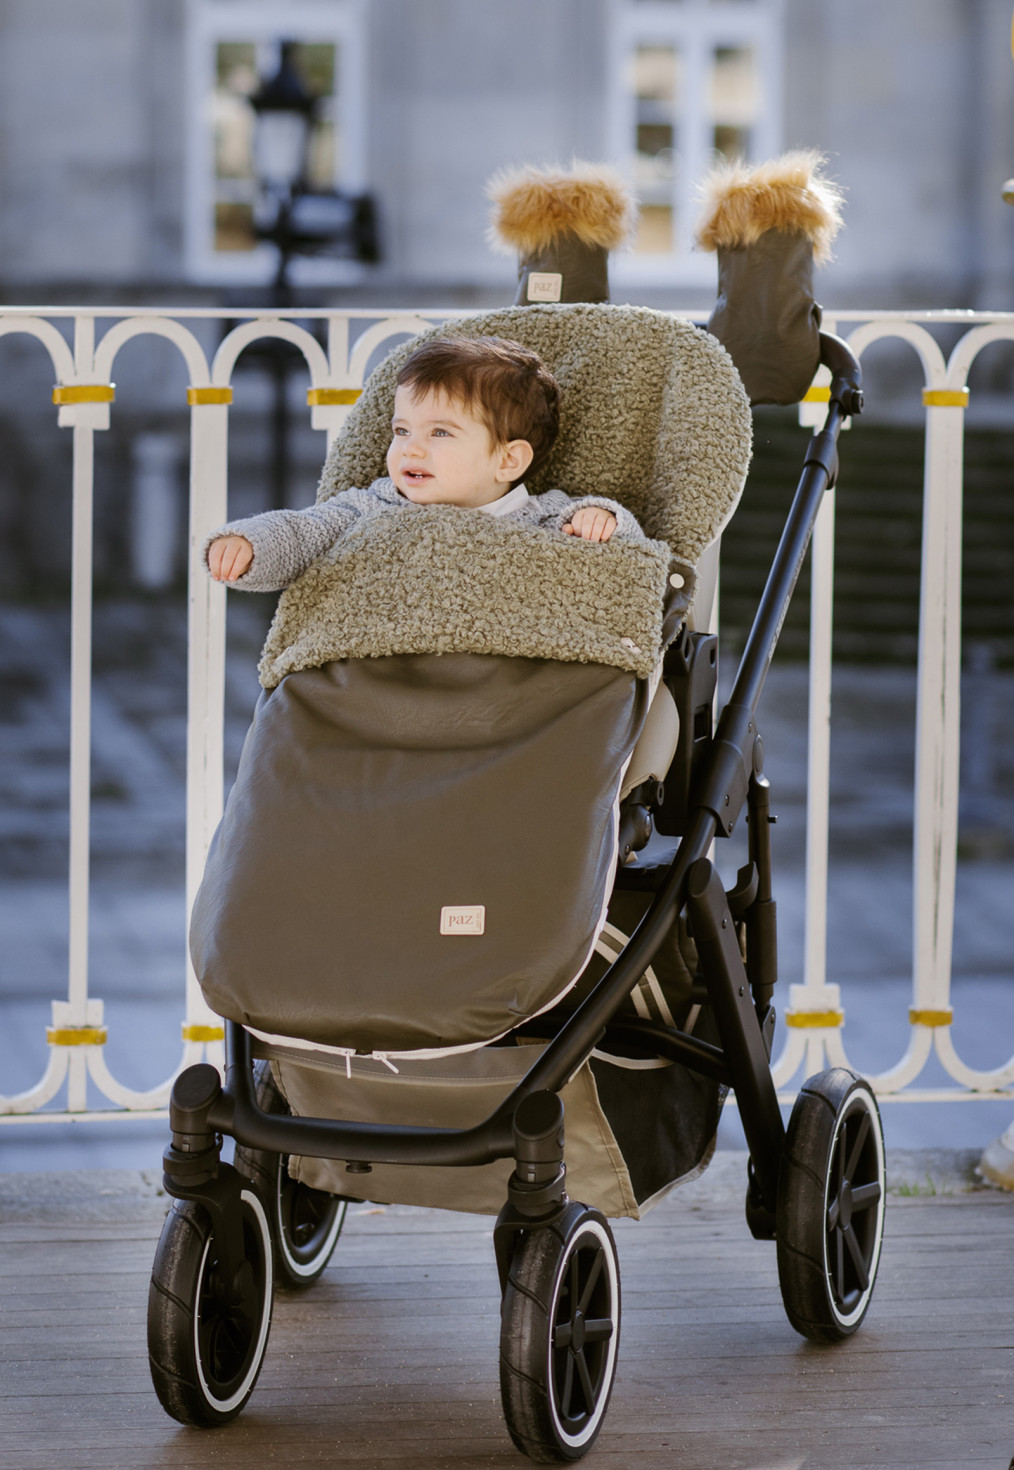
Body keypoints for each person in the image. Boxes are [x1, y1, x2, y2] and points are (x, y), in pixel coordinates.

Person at [205, 335, 647, 591]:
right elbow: (302, 533)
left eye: (439, 433)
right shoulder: (370, 509)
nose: (410, 450)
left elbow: (625, 556)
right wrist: (251, 545)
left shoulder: (544, 518)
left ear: (509, 459)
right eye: (402, 431)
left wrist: (601, 519)